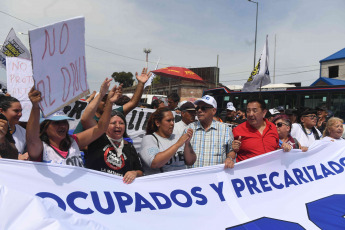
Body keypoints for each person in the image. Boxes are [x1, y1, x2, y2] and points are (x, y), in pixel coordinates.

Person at [26, 83, 119, 166]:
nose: (62, 126)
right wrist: (35, 107)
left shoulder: (74, 141)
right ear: (44, 127)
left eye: (64, 122)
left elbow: (101, 128)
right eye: (57, 123)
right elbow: (32, 139)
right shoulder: (40, 148)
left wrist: (109, 102)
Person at [73, 68, 151, 134]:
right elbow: (77, 140)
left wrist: (141, 84)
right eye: (103, 100)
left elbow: (132, 103)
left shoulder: (114, 114)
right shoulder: (88, 119)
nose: (106, 102)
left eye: (109, 100)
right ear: (95, 102)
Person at [85, 110, 143, 184]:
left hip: (118, 188)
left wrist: (134, 173)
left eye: (121, 123)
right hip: (95, 184)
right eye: (113, 123)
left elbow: (140, 171)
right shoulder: (97, 139)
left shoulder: (130, 146)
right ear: (105, 126)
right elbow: (85, 119)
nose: (118, 126)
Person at [139, 107, 195, 175]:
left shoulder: (178, 137)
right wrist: (177, 145)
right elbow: (154, 163)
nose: (172, 123)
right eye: (168, 120)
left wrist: (187, 144)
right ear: (157, 123)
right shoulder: (149, 139)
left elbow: (190, 161)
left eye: (173, 120)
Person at [184, 95, 234, 169]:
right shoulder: (189, 129)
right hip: (193, 177)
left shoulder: (225, 129)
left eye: (203, 108)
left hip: (216, 178)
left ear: (213, 111)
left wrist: (229, 158)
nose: (199, 111)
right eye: (197, 108)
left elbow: (231, 150)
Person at [231, 98, 279, 162]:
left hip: (270, 170)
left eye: (255, 111)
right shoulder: (237, 130)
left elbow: (276, 148)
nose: (251, 114)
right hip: (247, 170)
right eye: (248, 111)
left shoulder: (272, 127)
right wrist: (233, 150)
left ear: (264, 112)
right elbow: (230, 153)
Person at [0, 95, 28, 160]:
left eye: (21, 111)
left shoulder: (24, 132)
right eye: (16, 111)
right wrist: (17, 159)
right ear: (1, 111)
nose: (20, 114)